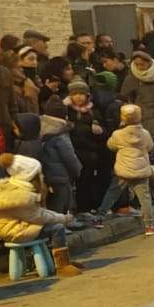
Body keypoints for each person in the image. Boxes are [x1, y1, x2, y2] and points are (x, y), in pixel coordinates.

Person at [0, 156, 81, 275]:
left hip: (19, 225)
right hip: (15, 230)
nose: (41, 176)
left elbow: (39, 212)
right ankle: (63, 265)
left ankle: (59, 261)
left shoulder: (17, 187)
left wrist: (60, 216)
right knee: (56, 228)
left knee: (51, 225)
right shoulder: (20, 196)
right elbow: (38, 216)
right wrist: (63, 219)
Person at [98, 103, 154, 235]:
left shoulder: (118, 134)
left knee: (112, 193)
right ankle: (149, 226)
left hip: (123, 170)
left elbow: (110, 146)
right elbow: (150, 147)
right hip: (141, 170)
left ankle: (99, 217)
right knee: (145, 198)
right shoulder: (145, 134)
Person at [120, 50, 154, 161]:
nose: (140, 67)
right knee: (147, 152)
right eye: (137, 64)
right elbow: (125, 99)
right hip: (143, 120)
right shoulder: (131, 79)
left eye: (142, 64)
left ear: (149, 62)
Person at [64, 79, 109, 215]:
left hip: (92, 153)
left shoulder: (93, 110)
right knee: (79, 183)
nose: (78, 97)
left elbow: (105, 130)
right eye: (75, 93)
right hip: (75, 153)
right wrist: (87, 129)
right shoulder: (67, 111)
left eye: (81, 94)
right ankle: (81, 209)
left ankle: (90, 207)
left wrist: (100, 131)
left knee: (89, 181)